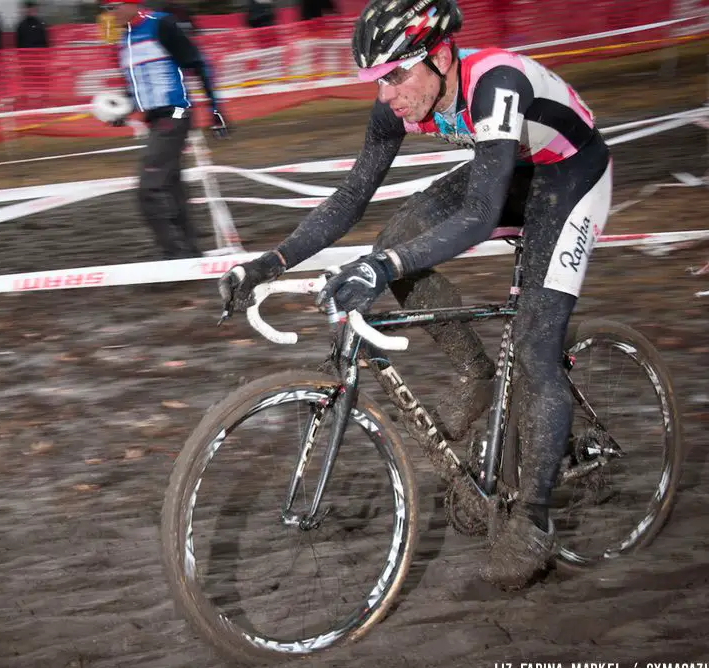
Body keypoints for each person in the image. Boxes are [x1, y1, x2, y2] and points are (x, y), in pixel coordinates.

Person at [218, 0, 612, 589]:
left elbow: (479, 218)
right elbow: (351, 198)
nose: (387, 94)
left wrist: (380, 269)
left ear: (443, 55)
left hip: (571, 177)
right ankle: (475, 372)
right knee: (398, 233)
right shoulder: (398, 105)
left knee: (535, 347)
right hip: (508, 172)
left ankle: (532, 524)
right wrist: (268, 263)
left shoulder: (496, 82)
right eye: (376, 80)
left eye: (396, 75)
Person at [101, 0, 230, 260]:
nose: (109, 13)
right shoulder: (123, 41)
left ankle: (175, 255)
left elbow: (198, 65)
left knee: (148, 189)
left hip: (175, 114)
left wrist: (216, 111)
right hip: (156, 121)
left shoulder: (161, 25)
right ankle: (190, 253)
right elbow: (137, 88)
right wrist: (121, 110)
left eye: (114, 6)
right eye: (106, 8)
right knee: (171, 187)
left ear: (131, 4)